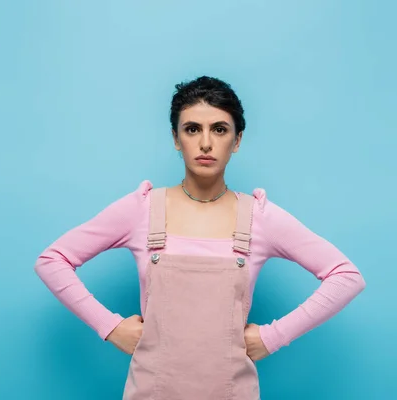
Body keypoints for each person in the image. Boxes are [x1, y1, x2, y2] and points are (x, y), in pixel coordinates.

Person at [34, 76, 366, 399]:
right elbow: (52, 260)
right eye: (192, 129)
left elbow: (346, 277)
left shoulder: (259, 217)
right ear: (176, 138)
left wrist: (274, 336)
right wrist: (110, 327)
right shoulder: (143, 209)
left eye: (219, 129)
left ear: (236, 141)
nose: (205, 143)